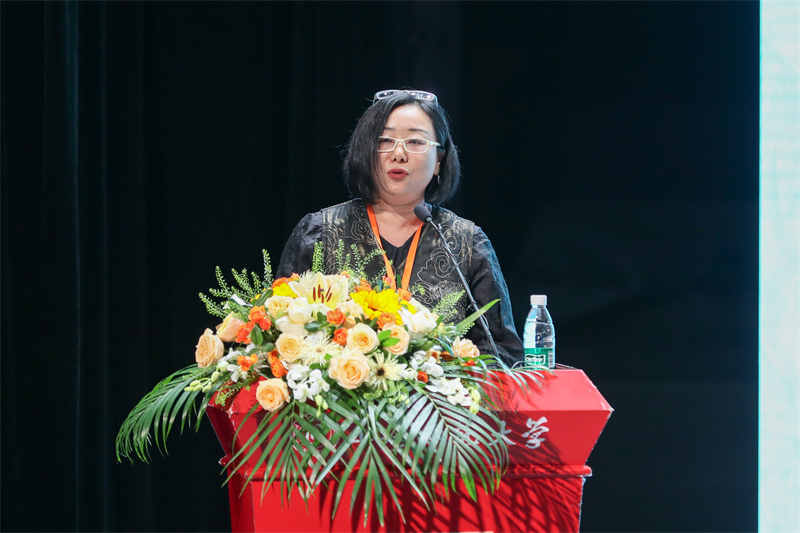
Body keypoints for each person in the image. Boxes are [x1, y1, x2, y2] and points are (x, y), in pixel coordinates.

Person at [276, 89, 523, 365]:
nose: (399, 154)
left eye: (415, 141)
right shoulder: (320, 232)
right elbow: (277, 331)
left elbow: (503, 354)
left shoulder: (466, 243)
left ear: (439, 160)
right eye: (384, 140)